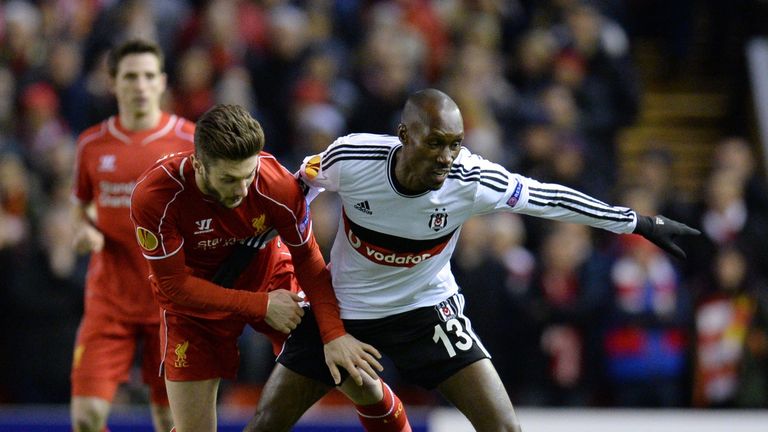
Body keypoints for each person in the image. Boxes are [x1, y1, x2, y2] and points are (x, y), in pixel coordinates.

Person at [246, 88, 700, 432]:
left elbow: (548, 198)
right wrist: (268, 226)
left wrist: (637, 222)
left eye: (456, 144)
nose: (448, 156)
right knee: (266, 422)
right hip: (344, 311)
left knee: (504, 427)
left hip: (427, 312)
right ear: (404, 135)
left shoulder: (471, 178)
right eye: (437, 143)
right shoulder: (354, 156)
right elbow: (299, 180)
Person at [129, 104, 412, 432]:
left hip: (271, 281)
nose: (242, 189)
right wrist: (260, 306)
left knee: (362, 381)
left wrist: (333, 334)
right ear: (198, 164)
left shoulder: (275, 184)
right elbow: (174, 286)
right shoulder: (156, 197)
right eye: (229, 179)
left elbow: (309, 260)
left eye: (248, 174)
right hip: (195, 309)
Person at [70, 38, 195, 432]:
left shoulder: (190, 141)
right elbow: (82, 206)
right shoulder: (91, 144)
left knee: (167, 419)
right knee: (87, 418)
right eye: (129, 76)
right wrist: (84, 230)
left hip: (170, 303)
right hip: (109, 300)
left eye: (147, 76)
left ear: (162, 82)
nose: (139, 85)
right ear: (113, 83)